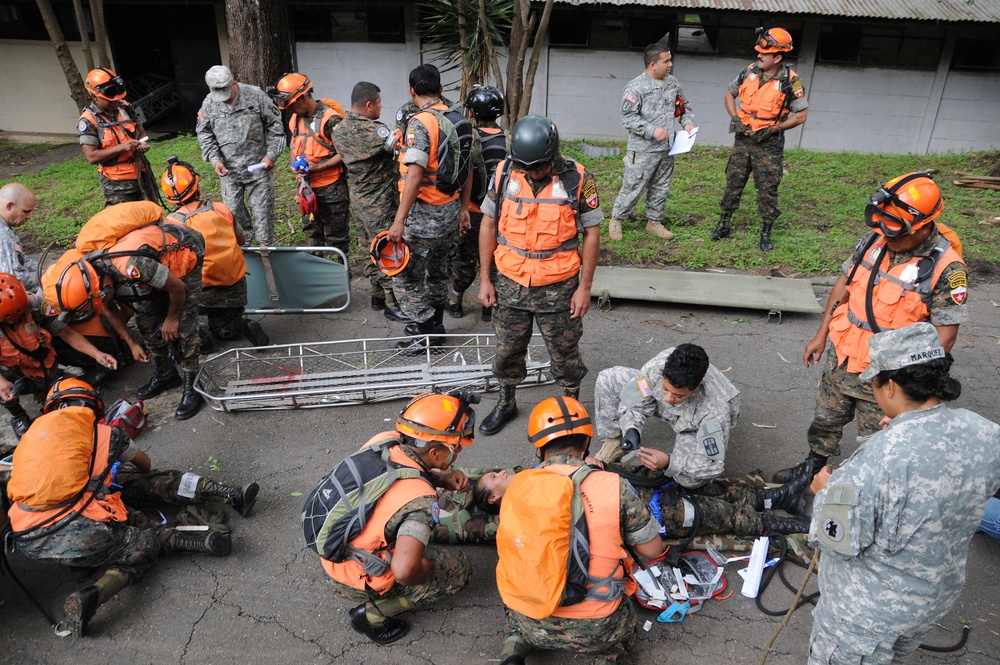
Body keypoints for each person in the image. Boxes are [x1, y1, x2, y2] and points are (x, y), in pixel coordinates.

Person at [808, 323, 1000, 664]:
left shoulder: (875, 462)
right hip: (932, 600)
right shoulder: (985, 433)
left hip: (865, 618)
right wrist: (903, 427)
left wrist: (825, 492)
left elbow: (837, 541)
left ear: (891, 385)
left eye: (875, 382)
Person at [6, 378, 257, 638]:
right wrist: (112, 464)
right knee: (141, 541)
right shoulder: (105, 434)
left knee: (117, 495)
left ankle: (84, 563)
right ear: (93, 407)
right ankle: (223, 499)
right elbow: (145, 466)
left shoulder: (31, 435)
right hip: (79, 531)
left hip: (26, 536)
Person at [774, 173, 967, 483]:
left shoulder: (947, 269)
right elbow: (845, 285)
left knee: (878, 440)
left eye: (896, 233)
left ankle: (863, 488)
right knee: (825, 419)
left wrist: (911, 388)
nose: (887, 238)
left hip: (887, 375)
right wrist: (821, 334)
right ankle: (813, 468)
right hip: (844, 355)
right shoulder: (874, 238)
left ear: (922, 225)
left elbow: (946, 334)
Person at [495, 396, 663, 665]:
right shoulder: (613, 485)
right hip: (597, 626)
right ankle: (606, 656)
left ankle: (515, 647)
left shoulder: (517, 487)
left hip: (531, 618)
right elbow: (652, 550)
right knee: (617, 635)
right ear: (586, 444)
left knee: (516, 618)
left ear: (539, 450)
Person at [477, 115, 602, 434]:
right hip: (510, 282)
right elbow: (488, 225)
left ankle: (572, 407)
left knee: (565, 354)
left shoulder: (577, 178)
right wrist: (485, 279)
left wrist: (584, 288)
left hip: (559, 287)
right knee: (506, 350)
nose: (531, 173)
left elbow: (592, 232)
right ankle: (506, 402)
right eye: (525, 166)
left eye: (537, 167)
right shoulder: (504, 173)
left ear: (553, 156)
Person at [318, 392, 475, 644]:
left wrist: (438, 478)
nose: (456, 455)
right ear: (435, 453)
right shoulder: (420, 501)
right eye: (454, 449)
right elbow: (404, 571)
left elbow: (391, 474)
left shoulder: (385, 441)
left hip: (334, 546)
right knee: (459, 569)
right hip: (358, 574)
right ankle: (372, 615)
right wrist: (423, 569)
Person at [86, 213, 207, 420]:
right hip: (153, 262)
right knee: (146, 321)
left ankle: (193, 383)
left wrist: (172, 319)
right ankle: (166, 374)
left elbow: (178, 288)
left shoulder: (134, 267)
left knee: (184, 327)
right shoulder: (90, 273)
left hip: (182, 250)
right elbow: (109, 308)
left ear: (108, 285)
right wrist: (131, 342)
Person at [387, 64, 471, 351]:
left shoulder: (420, 123)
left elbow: (414, 175)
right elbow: (468, 169)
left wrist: (399, 221)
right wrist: (463, 209)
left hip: (423, 218)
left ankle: (425, 334)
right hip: (450, 212)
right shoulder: (459, 120)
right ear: (441, 89)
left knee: (404, 274)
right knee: (438, 271)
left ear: (412, 91)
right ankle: (436, 325)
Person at [710, 27, 808, 252]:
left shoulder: (791, 81)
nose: (759, 56)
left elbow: (801, 115)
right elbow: (729, 94)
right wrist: (736, 118)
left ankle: (766, 232)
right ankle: (724, 223)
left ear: (778, 57)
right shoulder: (748, 71)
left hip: (768, 144)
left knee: (767, 188)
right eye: (759, 52)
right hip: (743, 138)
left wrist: (775, 129)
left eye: (765, 53)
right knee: (733, 181)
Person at [591, 344, 740, 489]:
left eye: (678, 395)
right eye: (665, 388)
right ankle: (615, 441)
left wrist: (669, 462)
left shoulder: (716, 409)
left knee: (689, 480)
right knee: (608, 379)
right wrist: (631, 428)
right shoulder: (659, 366)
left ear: (697, 386)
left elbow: (712, 465)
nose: (668, 398)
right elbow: (636, 399)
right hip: (664, 406)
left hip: (693, 426)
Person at [160, 156, 269, 347]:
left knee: (168, 298)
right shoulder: (221, 208)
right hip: (234, 288)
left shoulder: (172, 224)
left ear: (169, 197)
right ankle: (238, 325)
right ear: (197, 186)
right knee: (226, 331)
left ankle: (195, 337)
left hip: (199, 292)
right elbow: (241, 240)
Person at [608, 43, 694, 243]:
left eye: (670, 60)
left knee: (661, 186)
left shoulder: (672, 83)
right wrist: (651, 130)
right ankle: (617, 219)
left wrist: (687, 123)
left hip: (667, 148)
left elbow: (683, 107)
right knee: (633, 185)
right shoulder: (635, 87)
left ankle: (654, 221)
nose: (670, 64)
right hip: (643, 150)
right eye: (666, 61)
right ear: (653, 64)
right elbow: (628, 118)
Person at [330, 81, 403, 317]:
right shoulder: (376, 131)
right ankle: (393, 304)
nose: (382, 107)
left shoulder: (338, 130)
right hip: (381, 203)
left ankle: (376, 295)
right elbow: (397, 146)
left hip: (358, 200)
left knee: (367, 246)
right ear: (369, 104)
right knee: (384, 247)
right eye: (379, 102)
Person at [196, 65, 285, 245]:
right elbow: (204, 133)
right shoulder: (209, 103)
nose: (225, 100)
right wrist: (215, 160)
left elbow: (276, 128)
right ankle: (246, 253)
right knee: (234, 216)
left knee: (263, 216)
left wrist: (271, 156)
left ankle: (266, 254)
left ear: (234, 83)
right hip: (229, 172)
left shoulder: (257, 96)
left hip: (259, 168)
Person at [272, 73, 350, 254]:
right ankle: (317, 271)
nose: (290, 110)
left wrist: (320, 167)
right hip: (307, 189)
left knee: (336, 236)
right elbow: (294, 147)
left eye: (292, 105)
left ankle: (340, 274)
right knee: (313, 234)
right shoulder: (295, 119)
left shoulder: (330, 120)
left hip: (332, 189)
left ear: (303, 97)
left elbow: (346, 153)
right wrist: (295, 168)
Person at [448, 85, 508, 321]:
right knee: (494, 258)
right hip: (499, 214)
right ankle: (489, 307)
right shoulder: (510, 140)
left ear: (473, 111)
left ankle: (455, 302)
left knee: (464, 258)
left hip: (471, 210)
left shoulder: (467, 137)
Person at [77, 68, 159, 207]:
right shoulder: (88, 121)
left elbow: (142, 133)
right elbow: (92, 156)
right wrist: (122, 147)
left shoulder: (126, 107)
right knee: (127, 222)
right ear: (94, 96)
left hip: (142, 174)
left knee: (152, 214)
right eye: (110, 100)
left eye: (118, 98)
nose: (116, 102)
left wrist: (142, 143)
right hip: (117, 185)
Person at [0, 183, 40, 292]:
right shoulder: (3, 235)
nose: (29, 216)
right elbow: (13, 281)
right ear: (9, 206)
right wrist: (47, 276)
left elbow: (21, 260)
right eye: (25, 211)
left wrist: (44, 268)